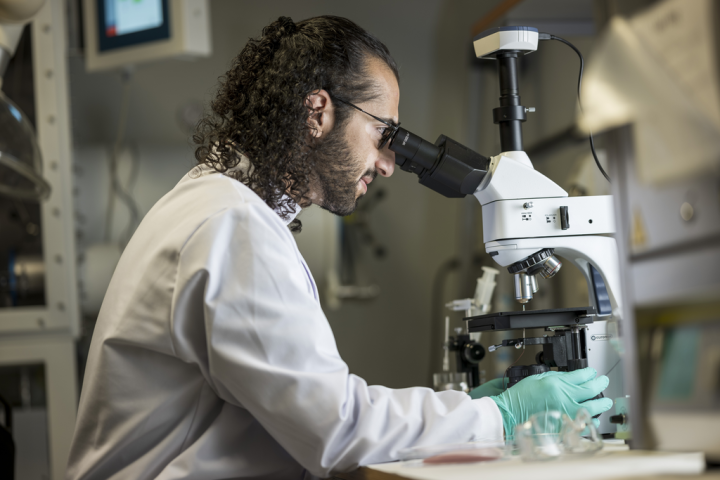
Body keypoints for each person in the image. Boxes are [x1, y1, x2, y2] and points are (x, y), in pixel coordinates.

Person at [66, 15, 612, 480]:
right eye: (384, 134)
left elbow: (317, 412)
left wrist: (465, 408)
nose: (389, 163)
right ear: (318, 112)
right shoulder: (232, 227)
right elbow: (336, 428)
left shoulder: (222, 206)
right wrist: (501, 417)